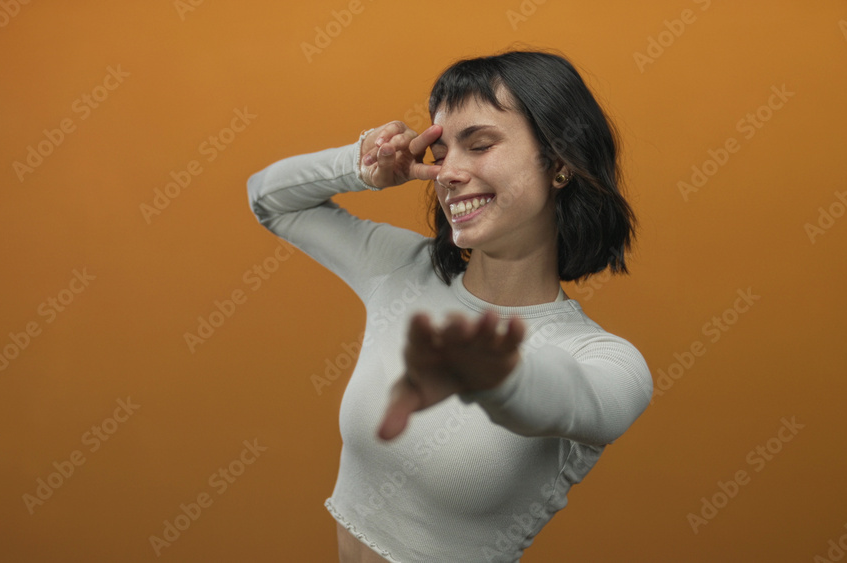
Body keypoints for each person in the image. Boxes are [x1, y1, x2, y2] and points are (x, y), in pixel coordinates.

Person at [247, 49, 653, 563]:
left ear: (559, 164)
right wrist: (361, 164)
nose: (448, 174)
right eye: (441, 155)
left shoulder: (602, 358)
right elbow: (267, 197)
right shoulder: (404, 272)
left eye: (479, 145)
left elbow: (572, 399)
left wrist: (492, 371)